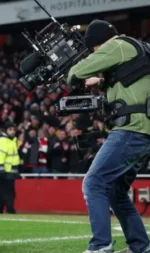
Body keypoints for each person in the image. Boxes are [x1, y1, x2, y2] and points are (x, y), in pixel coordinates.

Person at [67, 19, 150, 253]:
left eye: (94, 49)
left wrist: (71, 73)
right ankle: (141, 247)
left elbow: (77, 72)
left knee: (93, 183)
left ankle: (100, 246)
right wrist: (103, 82)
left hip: (131, 130)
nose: (96, 53)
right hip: (143, 131)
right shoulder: (137, 48)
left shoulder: (117, 45)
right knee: (115, 191)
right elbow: (134, 82)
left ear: (98, 43)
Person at [0, 121, 19, 214]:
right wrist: (1, 168)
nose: (13, 131)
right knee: (8, 192)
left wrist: (15, 171)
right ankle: (10, 209)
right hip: (2, 171)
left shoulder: (11, 141)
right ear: (6, 131)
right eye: (10, 129)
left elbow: (12, 158)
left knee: (1, 192)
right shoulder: (3, 140)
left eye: (14, 129)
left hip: (6, 171)